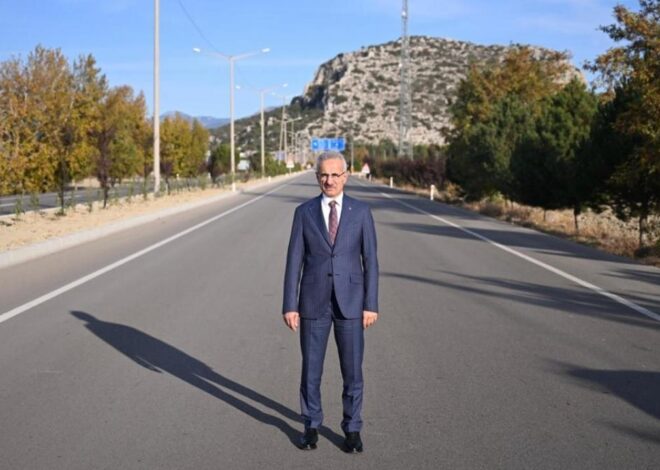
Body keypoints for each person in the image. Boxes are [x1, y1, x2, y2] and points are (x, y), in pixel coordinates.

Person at [282, 151, 379, 453]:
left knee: (352, 372)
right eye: (324, 174)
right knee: (311, 370)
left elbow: (371, 261)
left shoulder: (361, 212)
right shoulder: (304, 212)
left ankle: (352, 429)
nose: (330, 180)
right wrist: (290, 304)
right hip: (313, 303)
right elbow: (294, 260)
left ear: (346, 176)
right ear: (317, 178)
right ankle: (311, 425)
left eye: (336, 174)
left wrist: (371, 304)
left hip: (351, 304)